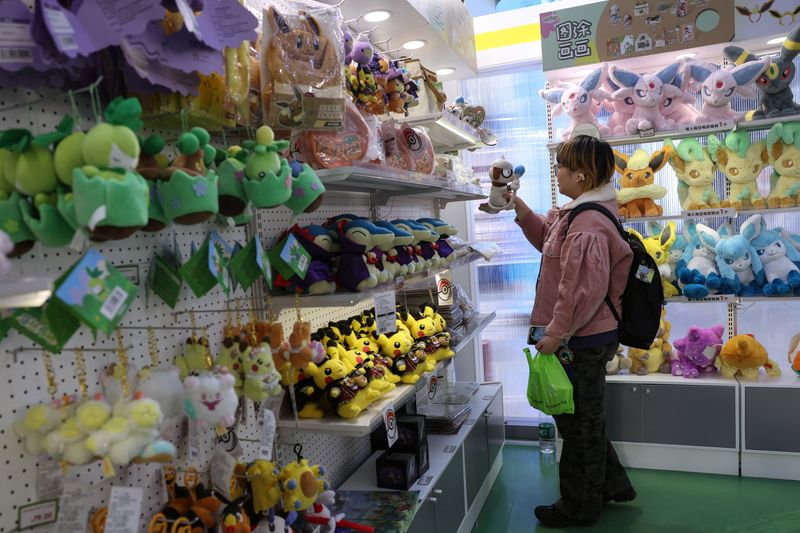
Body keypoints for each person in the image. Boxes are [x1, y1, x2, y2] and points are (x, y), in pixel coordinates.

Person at [512, 135, 637, 528]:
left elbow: (580, 290)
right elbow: (547, 242)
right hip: (585, 336)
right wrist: (515, 205)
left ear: (581, 175)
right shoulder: (578, 214)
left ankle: (579, 507)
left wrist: (557, 333)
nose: (557, 171)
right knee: (586, 419)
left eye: (562, 166)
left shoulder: (586, 224)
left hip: (581, 340)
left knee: (578, 425)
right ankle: (611, 484)